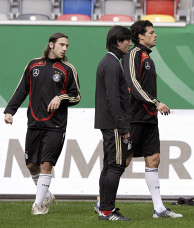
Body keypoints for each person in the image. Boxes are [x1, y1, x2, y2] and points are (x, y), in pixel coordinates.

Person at [4, 33, 81, 215]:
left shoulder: (68, 69)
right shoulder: (33, 65)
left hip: (56, 125)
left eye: (67, 46)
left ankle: (38, 205)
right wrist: (10, 110)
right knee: (31, 165)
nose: (65, 48)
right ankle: (46, 194)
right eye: (62, 45)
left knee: (47, 164)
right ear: (51, 44)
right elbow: (22, 89)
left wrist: (60, 97)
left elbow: (76, 95)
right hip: (34, 123)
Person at [122, 20, 182, 218]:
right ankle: (101, 200)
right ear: (141, 36)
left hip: (149, 118)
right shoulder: (133, 55)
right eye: (152, 32)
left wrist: (153, 107)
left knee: (154, 159)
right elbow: (133, 85)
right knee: (122, 161)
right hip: (134, 118)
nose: (155, 35)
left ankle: (159, 209)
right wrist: (155, 102)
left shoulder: (147, 57)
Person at [95, 25, 132, 221]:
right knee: (116, 166)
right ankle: (107, 211)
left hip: (109, 123)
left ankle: (104, 208)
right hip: (114, 125)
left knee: (109, 166)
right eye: (127, 40)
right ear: (118, 42)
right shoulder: (111, 64)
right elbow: (113, 98)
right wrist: (124, 127)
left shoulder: (109, 62)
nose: (130, 43)